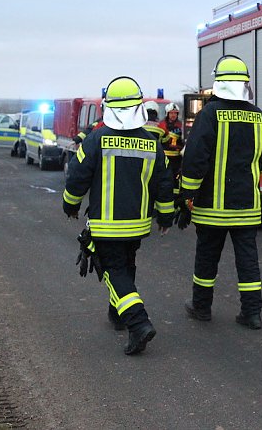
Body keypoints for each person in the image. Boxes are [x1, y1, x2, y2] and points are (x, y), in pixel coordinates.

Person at [62, 76, 175, 355]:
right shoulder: (152, 142)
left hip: (106, 225)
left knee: (113, 271)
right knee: (127, 264)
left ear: (108, 108)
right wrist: (165, 216)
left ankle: (138, 323)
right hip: (137, 225)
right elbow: (164, 183)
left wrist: (70, 204)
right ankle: (118, 315)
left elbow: (77, 177)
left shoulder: (96, 139)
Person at [179, 55, 262, 330]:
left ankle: (201, 306)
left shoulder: (209, 114)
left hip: (212, 208)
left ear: (219, 82)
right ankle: (252, 313)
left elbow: (195, 159)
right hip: (247, 206)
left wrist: (187, 196)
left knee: (207, 258)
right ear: (245, 83)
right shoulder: (259, 116)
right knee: (248, 261)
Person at [162, 102, 184, 195]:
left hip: (177, 159)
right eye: (171, 113)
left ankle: (176, 200)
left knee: (176, 179)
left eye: (175, 113)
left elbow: (183, 140)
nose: (173, 115)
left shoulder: (181, 125)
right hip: (165, 158)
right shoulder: (162, 125)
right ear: (167, 114)